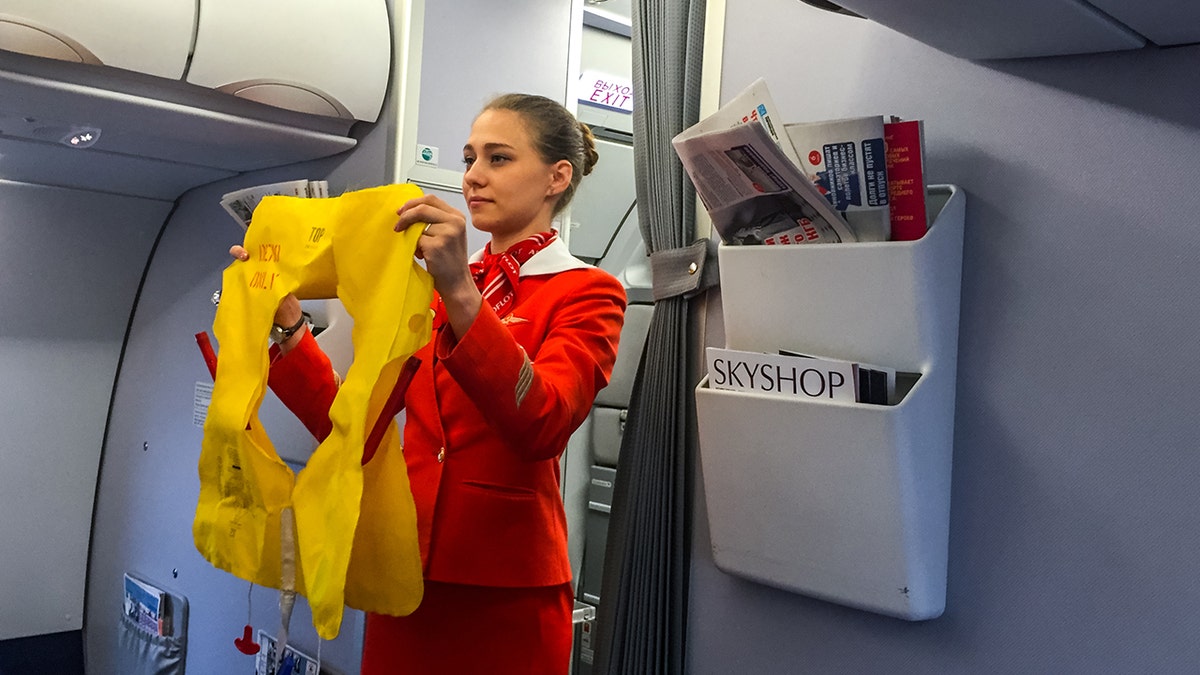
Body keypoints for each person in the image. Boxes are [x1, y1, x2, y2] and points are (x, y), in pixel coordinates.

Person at [235, 93, 627, 674]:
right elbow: (353, 430)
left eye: (498, 159)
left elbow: (542, 423)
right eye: (469, 158)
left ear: (556, 177)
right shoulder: (431, 290)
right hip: (404, 573)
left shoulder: (587, 291)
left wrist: (460, 293)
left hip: (505, 587)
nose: (472, 177)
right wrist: (289, 323)